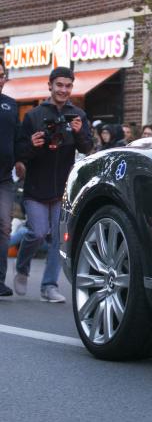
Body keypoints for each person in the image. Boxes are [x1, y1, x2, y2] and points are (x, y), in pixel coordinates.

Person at [12, 67, 93, 303]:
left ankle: (49, 286)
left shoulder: (78, 115)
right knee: (37, 233)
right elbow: (21, 153)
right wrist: (33, 145)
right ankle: (22, 267)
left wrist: (78, 133)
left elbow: (87, 148)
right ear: (50, 86)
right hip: (36, 187)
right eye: (59, 85)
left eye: (68, 86)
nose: (63, 90)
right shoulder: (33, 115)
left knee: (58, 240)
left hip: (63, 189)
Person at [0, 60, 19, 297]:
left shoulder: (11, 105)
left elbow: (18, 137)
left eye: (2, 75)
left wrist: (22, 159)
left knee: (4, 227)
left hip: (4, 177)